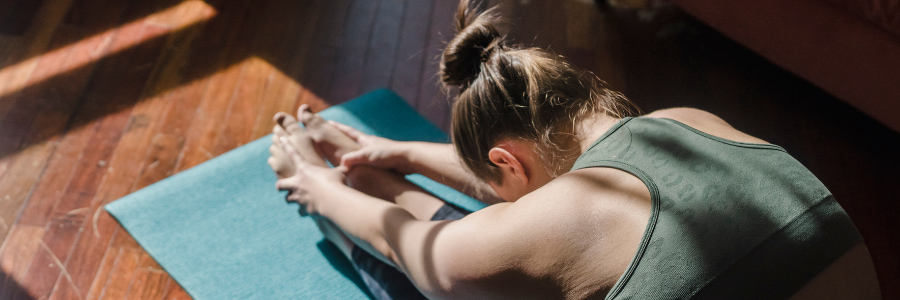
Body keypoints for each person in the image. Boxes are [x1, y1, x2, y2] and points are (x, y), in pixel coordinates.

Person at [267, 1, 881, 299]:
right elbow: (543, 189)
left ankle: (359, 186)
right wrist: (399, 151)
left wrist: (314, 185)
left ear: (507, 160)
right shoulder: (686, 122)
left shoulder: (571, 215)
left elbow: (418, 252)